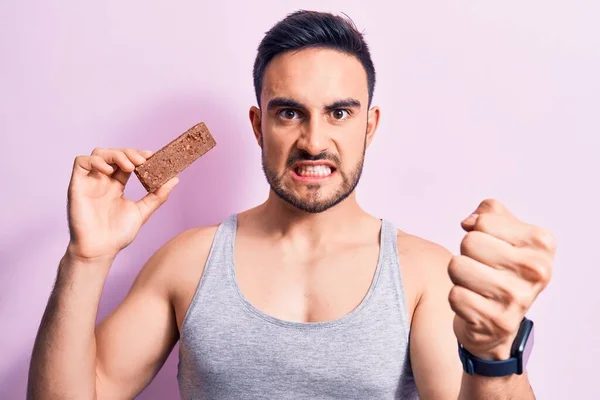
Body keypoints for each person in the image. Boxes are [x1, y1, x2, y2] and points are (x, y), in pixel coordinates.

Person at [27, 10, 556, 400]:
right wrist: (86, 258)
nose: (313, 140)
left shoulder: (422, 273)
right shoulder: (189, 262)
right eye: (289, 113)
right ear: (259, 126)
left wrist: (495, 357)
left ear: (370, 126)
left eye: (340, 113)